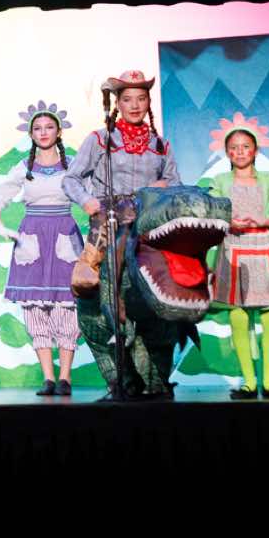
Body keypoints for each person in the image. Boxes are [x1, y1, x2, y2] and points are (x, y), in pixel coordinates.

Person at [63, 71, 181, 400]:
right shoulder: (101, 139)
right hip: (108, 226)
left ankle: (155, 381)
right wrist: (86, 200)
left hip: (146, 227)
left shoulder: (160, 145)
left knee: (156, 299)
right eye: (127, 99)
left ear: (148, 102)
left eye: (141, 99)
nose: (134, 105)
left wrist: (161, 186)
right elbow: (71, 179)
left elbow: (175, 182)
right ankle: (118, 380)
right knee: (93, 292)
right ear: (117, 103)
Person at [0, 102, 83, 397]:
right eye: (37, 128)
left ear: (59, 131)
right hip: (32, 239)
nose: (43, 133)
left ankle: (65, 377)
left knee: (67, 308)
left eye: (49, 127)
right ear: (30, 134)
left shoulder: (73, 165)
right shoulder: (24, 168)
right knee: (36, 310)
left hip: (64, 235)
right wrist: (0, 227)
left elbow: (92, 195)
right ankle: (48, 378)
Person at [200, 124, 269, 400]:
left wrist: (262, 220)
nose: (240, 152)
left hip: (263, 246)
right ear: (227, 152)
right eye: (234, 148)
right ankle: (249, 383)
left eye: (245, 147)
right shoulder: (220, 182)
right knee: (237, 313)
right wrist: (229, 222)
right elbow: (210, 213)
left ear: (255, 150)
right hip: (233, 249)